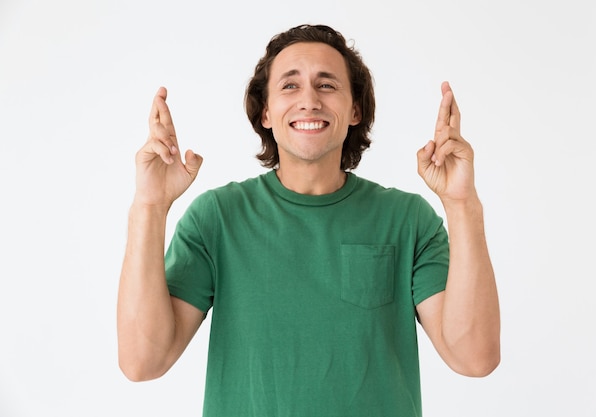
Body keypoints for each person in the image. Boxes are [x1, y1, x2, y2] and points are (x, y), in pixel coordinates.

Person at [117, 24, 500, 417]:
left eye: (327, 85)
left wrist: (462, 203)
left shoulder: (407, 220)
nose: (309, 101)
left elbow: (474, 357)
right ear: (265, 112)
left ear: (355, 110)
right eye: (289, 86)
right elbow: (142, 362)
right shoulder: (218, 218)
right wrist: (149, 206)